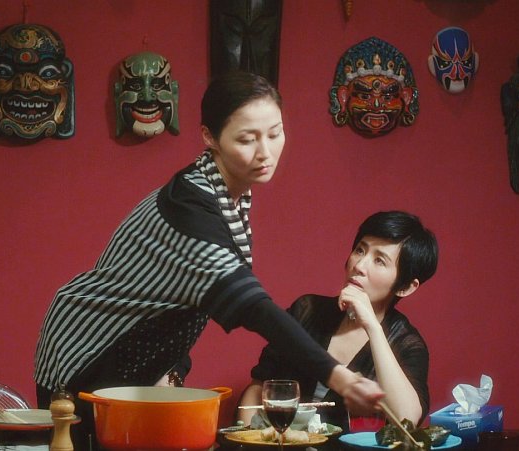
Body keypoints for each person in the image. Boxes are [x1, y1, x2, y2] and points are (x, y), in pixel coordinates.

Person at [34, 71, 385, 449]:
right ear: (209, 138)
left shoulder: (228, 193)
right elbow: (253, 305)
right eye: (247, 139)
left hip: (133, 354)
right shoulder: (189, 208)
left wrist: (172, 370)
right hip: (86, 350)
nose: (265, 152)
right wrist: (338, 376)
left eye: (275, 133)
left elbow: (177, 294)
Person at [237, 211, 438, 432]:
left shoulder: (407, 343)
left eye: (379, 260)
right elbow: (258, 388)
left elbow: (407, 418)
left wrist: (373, 326)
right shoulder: (307, 310)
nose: (359, 265)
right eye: (360, 250)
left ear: (406, 287)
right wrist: (249, 440)